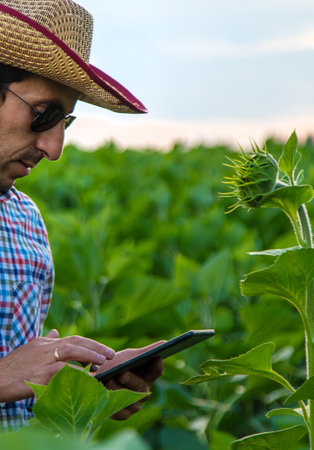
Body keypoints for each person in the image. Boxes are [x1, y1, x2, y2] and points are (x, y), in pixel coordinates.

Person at [0, 0, 163, 430]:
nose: (54, 149)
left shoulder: (25, 219)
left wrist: (82, 386)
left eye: (65, 123)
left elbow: (20, 381)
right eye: (43, 115)